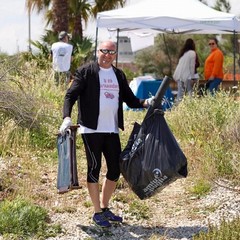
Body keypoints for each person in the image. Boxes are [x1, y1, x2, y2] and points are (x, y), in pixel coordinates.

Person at [59, 40, 152, 228]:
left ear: (115, 54)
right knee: (94, 167)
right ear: (98, 51)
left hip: (111, 129)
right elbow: (70, 95)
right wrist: (66, 117)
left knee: (115, 170)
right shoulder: (86, 72)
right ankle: (96, 211)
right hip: (91, 130)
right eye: (104, 51)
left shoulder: (118, 74)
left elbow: (131, 100)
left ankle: (104, 206)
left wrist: (145, 103)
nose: (108, 55)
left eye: (111, 52)